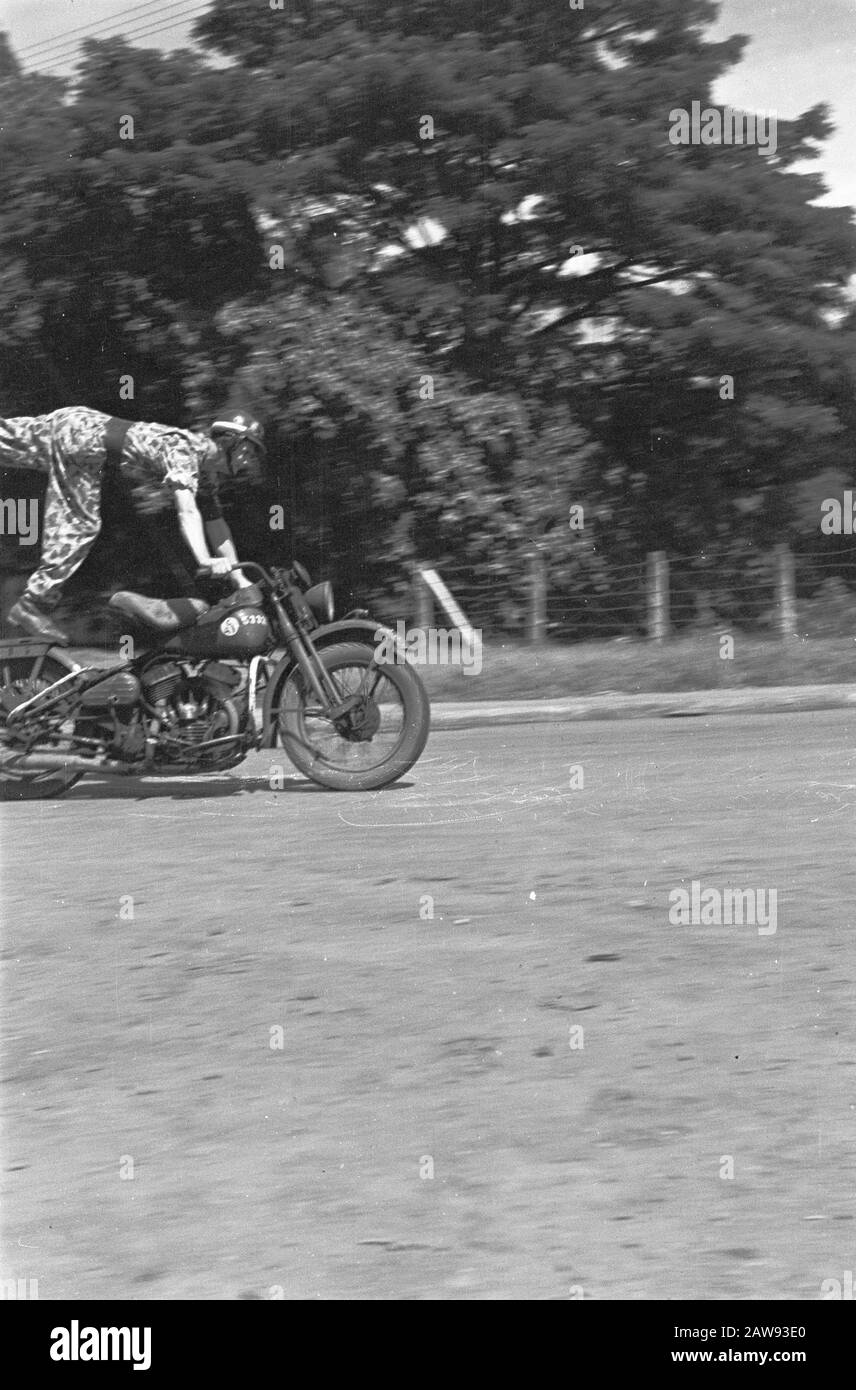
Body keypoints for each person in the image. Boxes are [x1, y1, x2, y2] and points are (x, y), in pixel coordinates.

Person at [0, 406, 265, 642]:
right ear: (231, 443)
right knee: (81, 526)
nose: (249, 460)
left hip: (79, 428)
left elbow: (215, 525)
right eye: (249, 450)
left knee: (6, 440)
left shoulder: (207, 474)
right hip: (80, 439)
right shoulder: (186, 451)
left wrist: (237, 575)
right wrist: (205, 559)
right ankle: (33, 603)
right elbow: (187, 510)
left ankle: (34, 602)